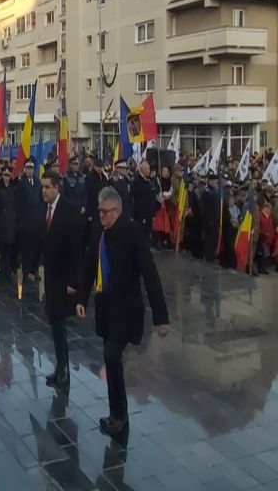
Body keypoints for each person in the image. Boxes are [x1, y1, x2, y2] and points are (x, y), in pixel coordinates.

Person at [77, 187, 170, 437]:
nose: (100, 216)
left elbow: (150, 275)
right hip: (106, 308)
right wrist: (81, 297)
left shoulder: (133, 234)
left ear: (117, 211)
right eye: (99, 211)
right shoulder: (100, 233)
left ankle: (120, 414)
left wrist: (161, 317)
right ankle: (116, 413)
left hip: (126, 310)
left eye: (104, 212)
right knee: (111, 358)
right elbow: (89, 265)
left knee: (111, 354)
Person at [31, 171, 83, 389]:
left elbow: (77, 249)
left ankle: (64, 371)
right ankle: (60, 367)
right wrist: (32, 267)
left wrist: (74, 281)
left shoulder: (69, 211)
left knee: (59, 324)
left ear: (56, 187)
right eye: (42, 187)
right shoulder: (45, 210)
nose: (43, 191)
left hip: (64, 278)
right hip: (50, 277)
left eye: (47, 187)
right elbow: (41, 241)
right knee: (54, 323)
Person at [16, 158, 43, 281]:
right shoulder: (21, 183)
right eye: (28, 168)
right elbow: (19, 203)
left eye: (32, 168)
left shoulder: (37, 182)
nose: (30, 170)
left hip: (37, 220)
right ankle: (26, 272)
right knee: (27, 249)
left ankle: (34, 270)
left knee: (37, 247)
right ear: (25, 169)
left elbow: (41, 199)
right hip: (26, 221)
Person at [0, 164, 19, 280]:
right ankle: (3, 271)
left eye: (8, 175)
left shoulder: (13, 190)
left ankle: (8, 271)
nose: (6, 177)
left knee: (10, 249)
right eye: (4, 175)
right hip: (2, 224)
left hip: (11, 223)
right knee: (3, 250)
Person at [131, 161, 157, 233]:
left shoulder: (148, 181)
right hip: (141, 217)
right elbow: (139, 201)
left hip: (149, 215)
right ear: (143, 169)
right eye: (148, 169)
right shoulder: (137, 182)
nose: (149, 171)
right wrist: (143, 217)